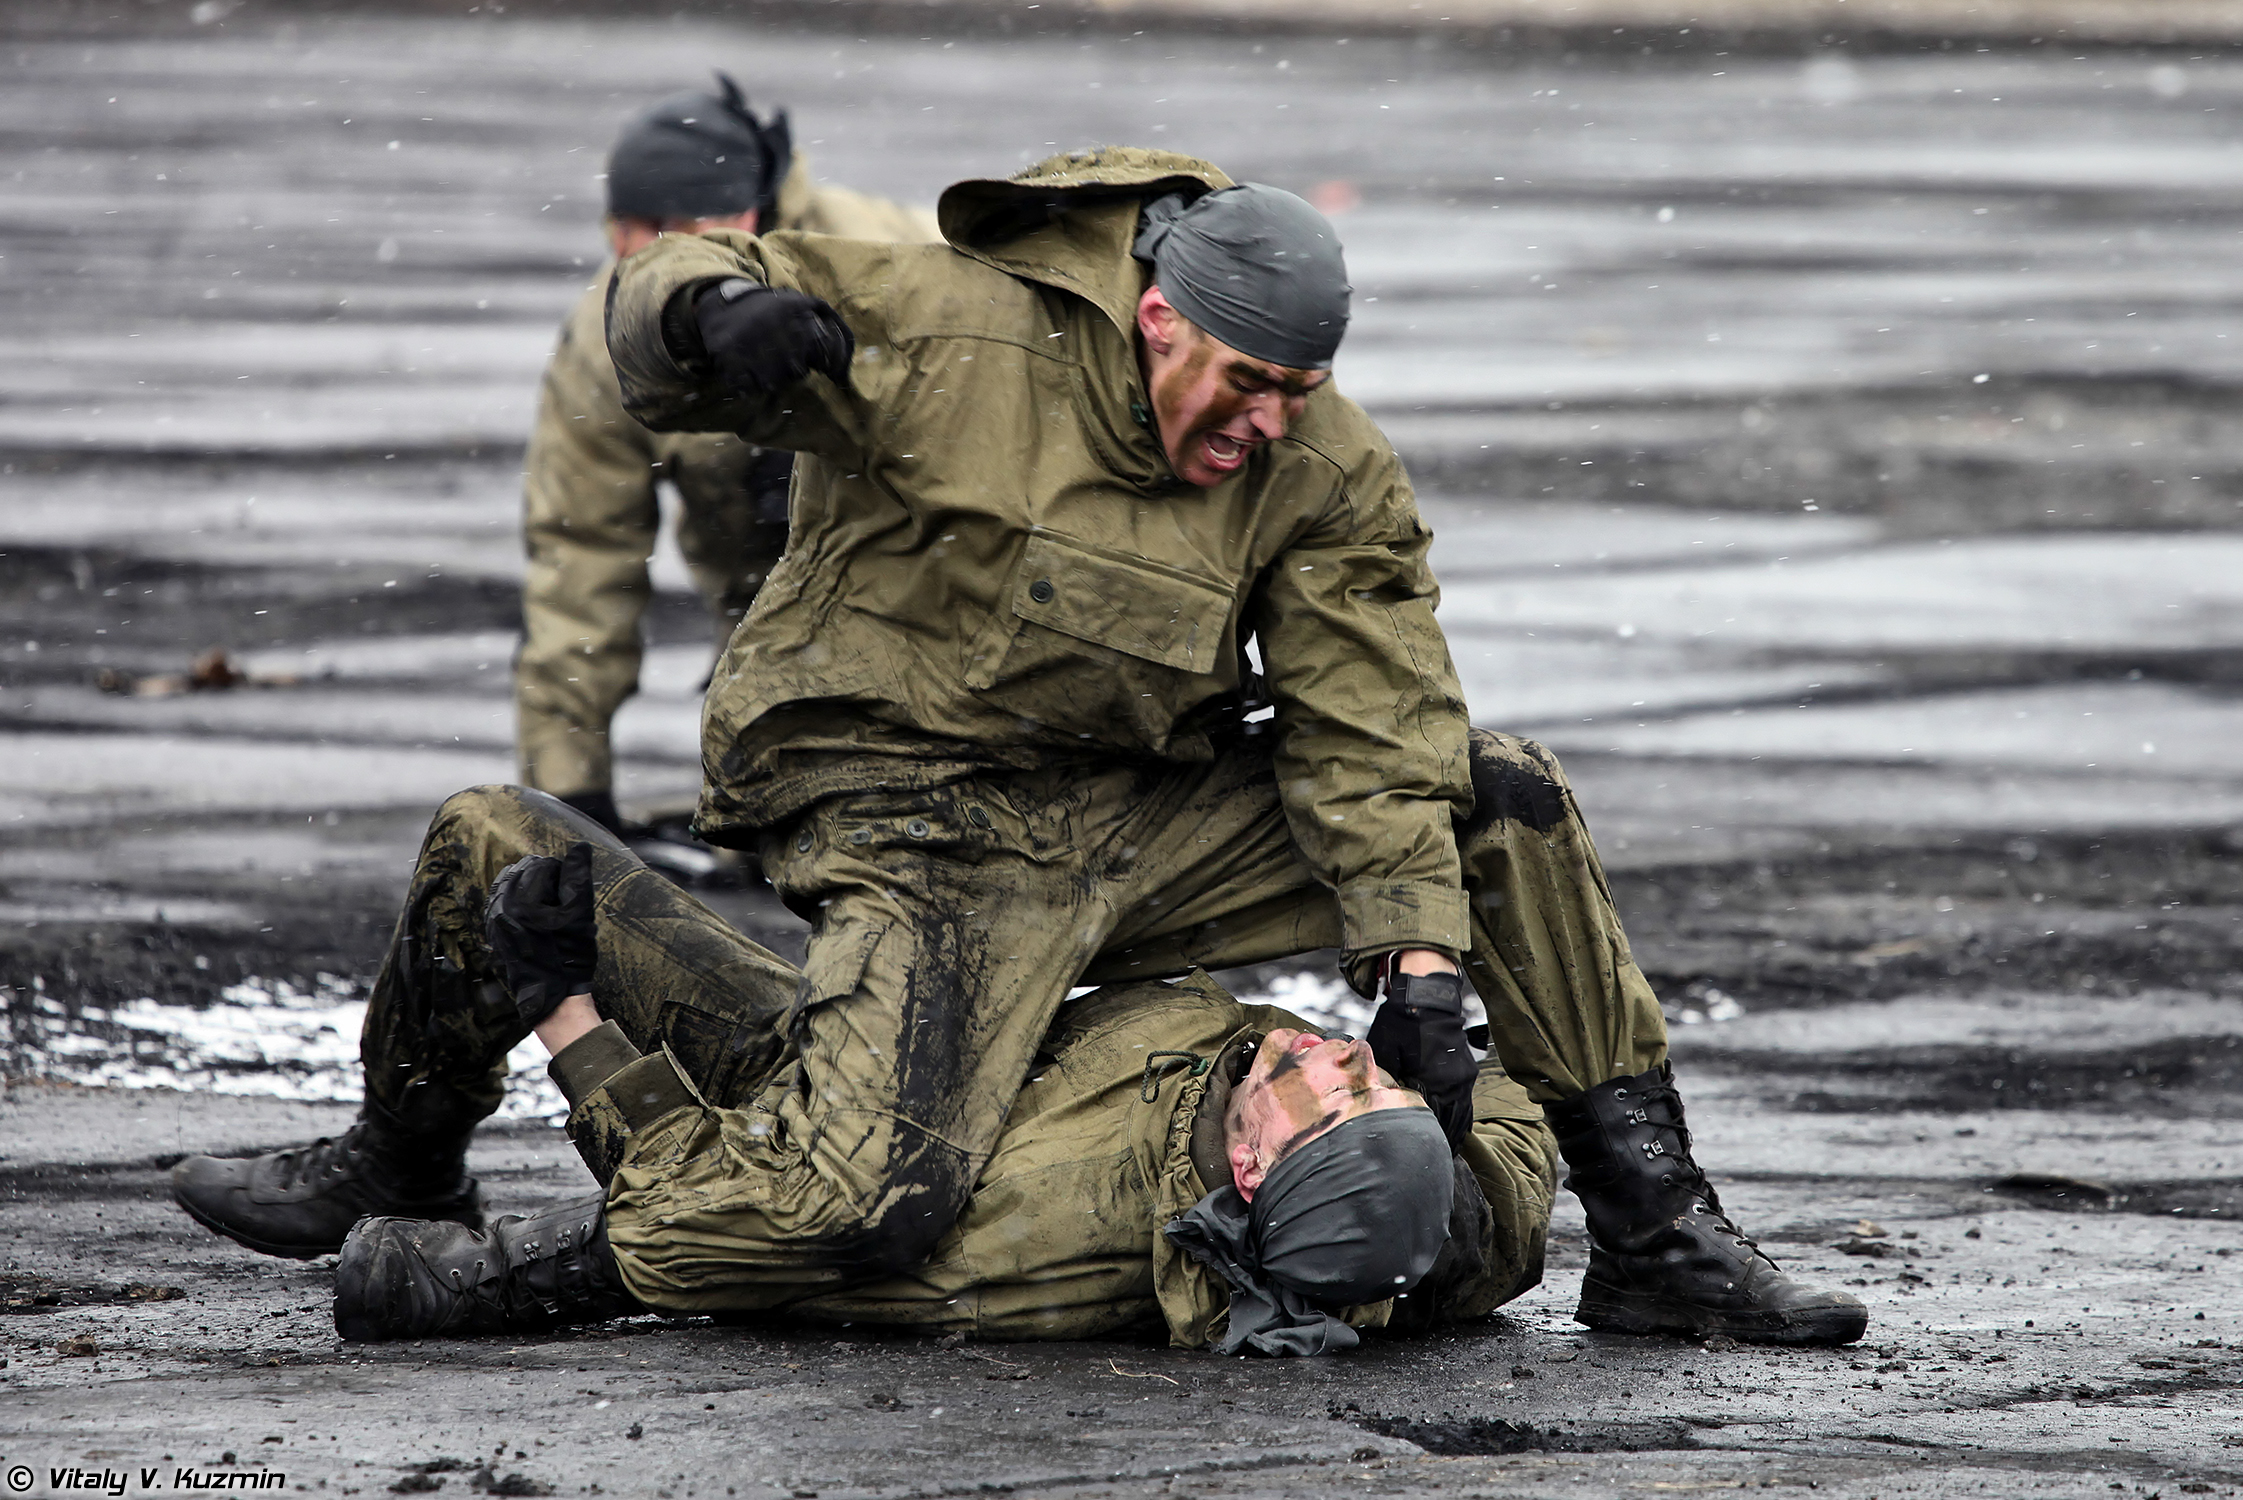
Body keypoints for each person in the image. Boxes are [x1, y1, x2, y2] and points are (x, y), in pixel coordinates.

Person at [173, 147, 1865, 1350]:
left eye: (1304, 389)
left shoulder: (1322, 465)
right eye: (1250, 380)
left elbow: (1373, 707)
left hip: (1140, 816)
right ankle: (399, 1156)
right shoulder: (954, 329)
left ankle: (1661, 1239)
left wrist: (1417, 954)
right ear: (1155, 321)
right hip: (922, 823)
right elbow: (665, 280)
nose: (1272, 420)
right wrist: (709, 326)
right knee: (864, 1204)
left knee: (1497, 788)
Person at [318, 809, 1556, 1354]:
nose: (1336, 1053)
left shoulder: (1038, 1216)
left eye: (1332, 1098)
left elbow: (706, 1221)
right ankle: (400, 1145)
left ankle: (404, 1169)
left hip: (796, 1105)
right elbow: (1512, 1140)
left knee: (498, 835)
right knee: (1486, 803)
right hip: (928, 1027)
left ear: (1246, 1171)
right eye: (1365, 1079)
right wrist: (1432, 1082)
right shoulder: (1440, 1228)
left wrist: (565, 1011)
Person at [516, 73, 936, 837]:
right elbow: (580, 565)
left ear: (754, 208)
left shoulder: (890, 259)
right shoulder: (599, 354)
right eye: (642, 230)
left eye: (699, 225)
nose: (667, 252)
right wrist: (569, 793)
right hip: (772, 621)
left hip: (939, 586)